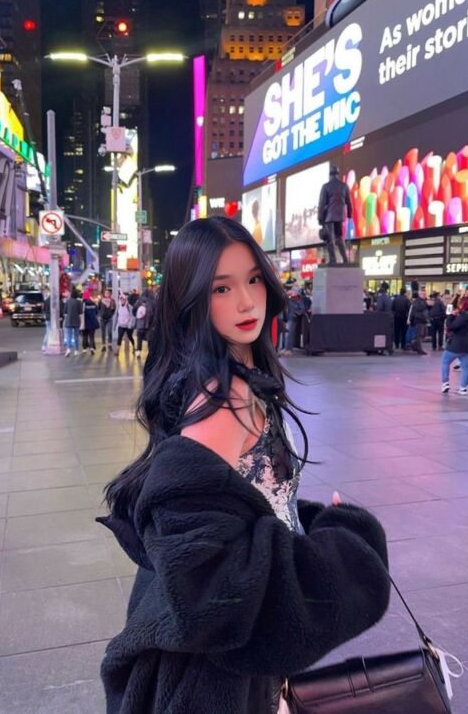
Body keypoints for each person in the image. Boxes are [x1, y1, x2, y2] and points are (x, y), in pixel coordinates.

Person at [99, 216, 390, 713]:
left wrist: (297, 517)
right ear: (191, 298)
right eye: (221, 288)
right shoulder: (226, 396)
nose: (246, 301)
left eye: (253, 279)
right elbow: (203, 573)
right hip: (217, 679)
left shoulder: (226, 376)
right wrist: (344, 550)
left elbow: (227, 502)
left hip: (221, 663)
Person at [440, 297, 468, 395]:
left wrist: (451, 316)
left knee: (445, 362)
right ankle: (463, 388)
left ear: (464, 305)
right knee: (466, 367)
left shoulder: (462, 316)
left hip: (456, 344)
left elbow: (451, 326)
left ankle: (445, 383)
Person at [318, 166, 352, 265]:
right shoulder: (344, 186)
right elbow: (349, 202)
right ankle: (345, 259)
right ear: (338, 174)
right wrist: (349, 214)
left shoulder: (326, 186)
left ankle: (333, 260)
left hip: (329, 217)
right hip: (340, 216)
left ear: (330, 175)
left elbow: (321, 204)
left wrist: (320, 218)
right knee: (340, 237)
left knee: (330, 239)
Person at [41, 286, 64, 353]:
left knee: (48, 331)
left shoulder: (47, 300)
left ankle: (45, 344)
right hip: (53, 318)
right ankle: (46, 344)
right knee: (53, 331)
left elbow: (44, 309)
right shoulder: (56, 301)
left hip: (47, 317)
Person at [133, 289, 155, 359]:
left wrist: (138, 317)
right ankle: (150, 353)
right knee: (150, 339)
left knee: (139, 337)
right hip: (150, 323)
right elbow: (155, 313)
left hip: (140, 323)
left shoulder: (138, 301)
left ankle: (138, 352)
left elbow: (134, 311)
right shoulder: (153, 302)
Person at [408, 290, 429, 355]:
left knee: (424, 334)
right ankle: (419, 349)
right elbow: (418, 309)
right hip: (419, 320)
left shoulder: (423, 301)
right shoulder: (417, 301)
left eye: (425, 294)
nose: (425, 295)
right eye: (423, 294)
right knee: (419, 335)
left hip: (423, 320)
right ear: (420, 294)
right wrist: (411, 320)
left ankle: (414, 344)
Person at [63, 288, 82, 357]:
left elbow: (65, 312)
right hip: (76, 321)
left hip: (68, 321)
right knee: (76, 336)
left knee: (69, 335)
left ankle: (68, 349)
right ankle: (76, 350)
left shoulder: (67, 301)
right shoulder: (79, 302)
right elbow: (80, 312)